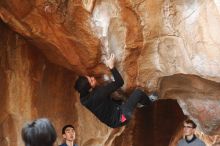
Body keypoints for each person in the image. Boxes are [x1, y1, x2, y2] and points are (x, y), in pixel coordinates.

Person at [74, 54, 158, 128]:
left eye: (89, 77)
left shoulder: (83, 98)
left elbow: (91, 91)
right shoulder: (99, 94)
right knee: (138, 93)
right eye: (91, 81)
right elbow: (120, 82)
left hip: (112, 116)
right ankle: (149, 102)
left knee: (120, 99)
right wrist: (111, 67)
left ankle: (131, 104)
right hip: (120, 118)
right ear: (90, 89)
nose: (93, 78)